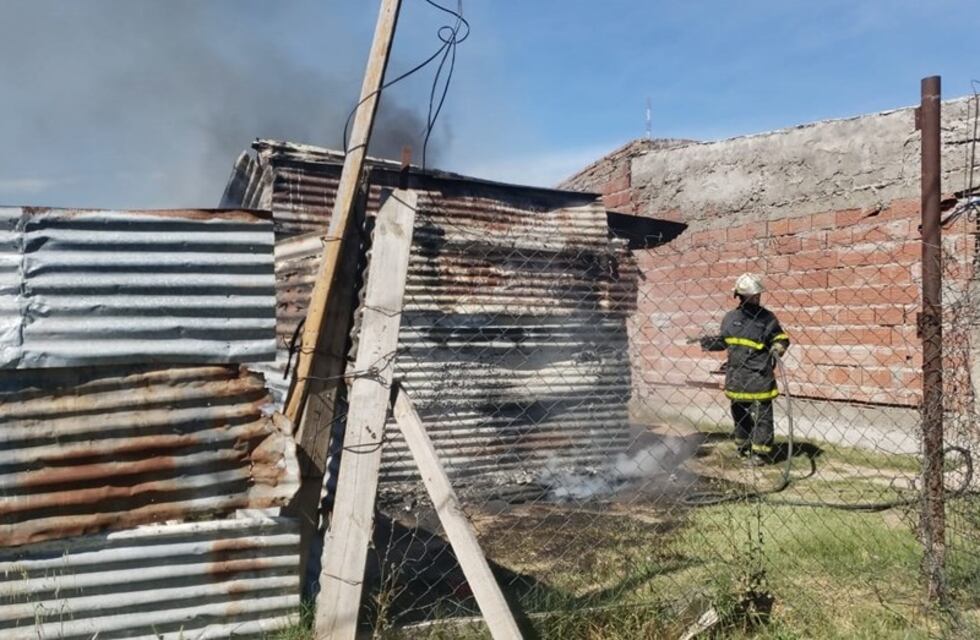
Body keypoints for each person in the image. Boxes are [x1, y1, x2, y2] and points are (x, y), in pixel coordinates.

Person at [700, 273, 790, 466]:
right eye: (753, 295)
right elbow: (725, 341)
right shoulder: (730, 318)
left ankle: (760, 454)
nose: (757, 298)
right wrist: (708, 342)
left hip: (759, 375)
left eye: (758, 295)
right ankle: (743, 447)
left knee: (762, 417)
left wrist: (778, 348)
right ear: (741, 296)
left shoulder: (767, 318)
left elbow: (781, 338)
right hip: (737, 376)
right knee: (739, 415)